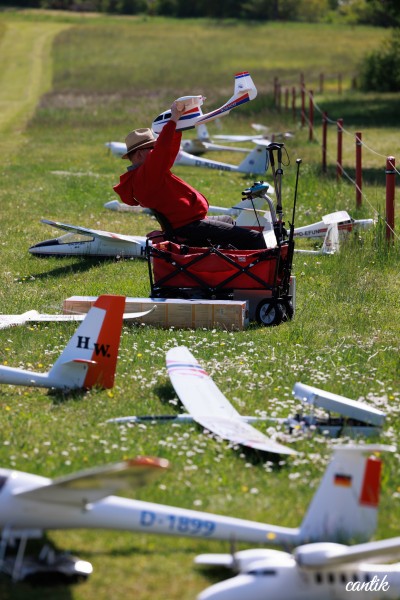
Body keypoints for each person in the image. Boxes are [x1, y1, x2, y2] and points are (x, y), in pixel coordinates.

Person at [113, 101, 266, 250]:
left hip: (186, 225)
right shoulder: (146, 175)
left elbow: (168, 153)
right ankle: (264, 266)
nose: (155, 150)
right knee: (255, 238)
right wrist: (173, 120)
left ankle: (227, 261)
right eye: (151, 148)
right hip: (189, 228)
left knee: (228, 220)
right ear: (140, 154)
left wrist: (177, 128)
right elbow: (163, 149)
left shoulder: (146, 174)